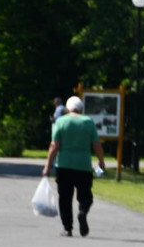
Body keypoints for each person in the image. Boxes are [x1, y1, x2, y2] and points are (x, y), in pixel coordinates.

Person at [41, 96, 106, 237]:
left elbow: (54, 145)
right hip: (83, 166)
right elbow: (96, 145)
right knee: (86, 196)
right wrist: (101, 161)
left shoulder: (61, 121)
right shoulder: (88, 122)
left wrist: (47, 166)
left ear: (67, 109)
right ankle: (82, 212)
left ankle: (67, 228)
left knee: (64, 197)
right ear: (81, 109)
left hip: (64, 165)